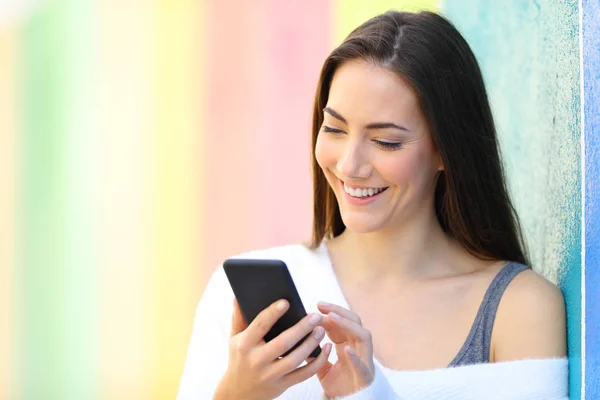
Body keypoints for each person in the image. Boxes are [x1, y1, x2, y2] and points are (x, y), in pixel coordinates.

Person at [177, 10, 568, 400]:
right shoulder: (239, 300)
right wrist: (237, 394)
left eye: (386, 141)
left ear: (447, 150)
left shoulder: (518, 309)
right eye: (334, 129)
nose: (349, 165)